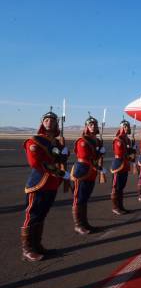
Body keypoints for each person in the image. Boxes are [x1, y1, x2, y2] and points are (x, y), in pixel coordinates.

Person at [22, 109, 70, 261]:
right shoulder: (34, 140)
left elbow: (61, 159)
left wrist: (64, 152)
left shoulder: (56, 142)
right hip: (38, 183)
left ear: (56, 124)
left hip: (52, 184)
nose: (49, 122)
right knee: (33, 215)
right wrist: (59, 171)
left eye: (52, 120)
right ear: (42, 123)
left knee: (42, 215)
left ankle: (38, 245)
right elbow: (35, 163)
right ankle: (27, 249)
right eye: (46, 120)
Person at [71, 115, 104, 234]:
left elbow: (95, 157)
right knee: (79, 198)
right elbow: (85, 156)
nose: (93, 126)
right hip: (82, 171)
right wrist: (98, 152)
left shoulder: (96, 140)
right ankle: (78, 224)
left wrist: (100, 151)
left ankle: (85, 223)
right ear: (86, 127)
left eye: (95, 124)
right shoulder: (82, 141)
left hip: (91, 172)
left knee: (85, 198)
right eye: (90, 125)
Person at [110, 120, 134, 215]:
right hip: (118, 165)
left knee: (121, 187)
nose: (127, 128)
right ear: (122, 128)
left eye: (128, 126)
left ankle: (121, 206)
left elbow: (128, 152)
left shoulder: (127, 139)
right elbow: (119, 153)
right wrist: (129, 153)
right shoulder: (118, 139)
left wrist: (132, 150)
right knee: (116, 187)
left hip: (125, 165)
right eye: (125, 126)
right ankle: (115, 207)